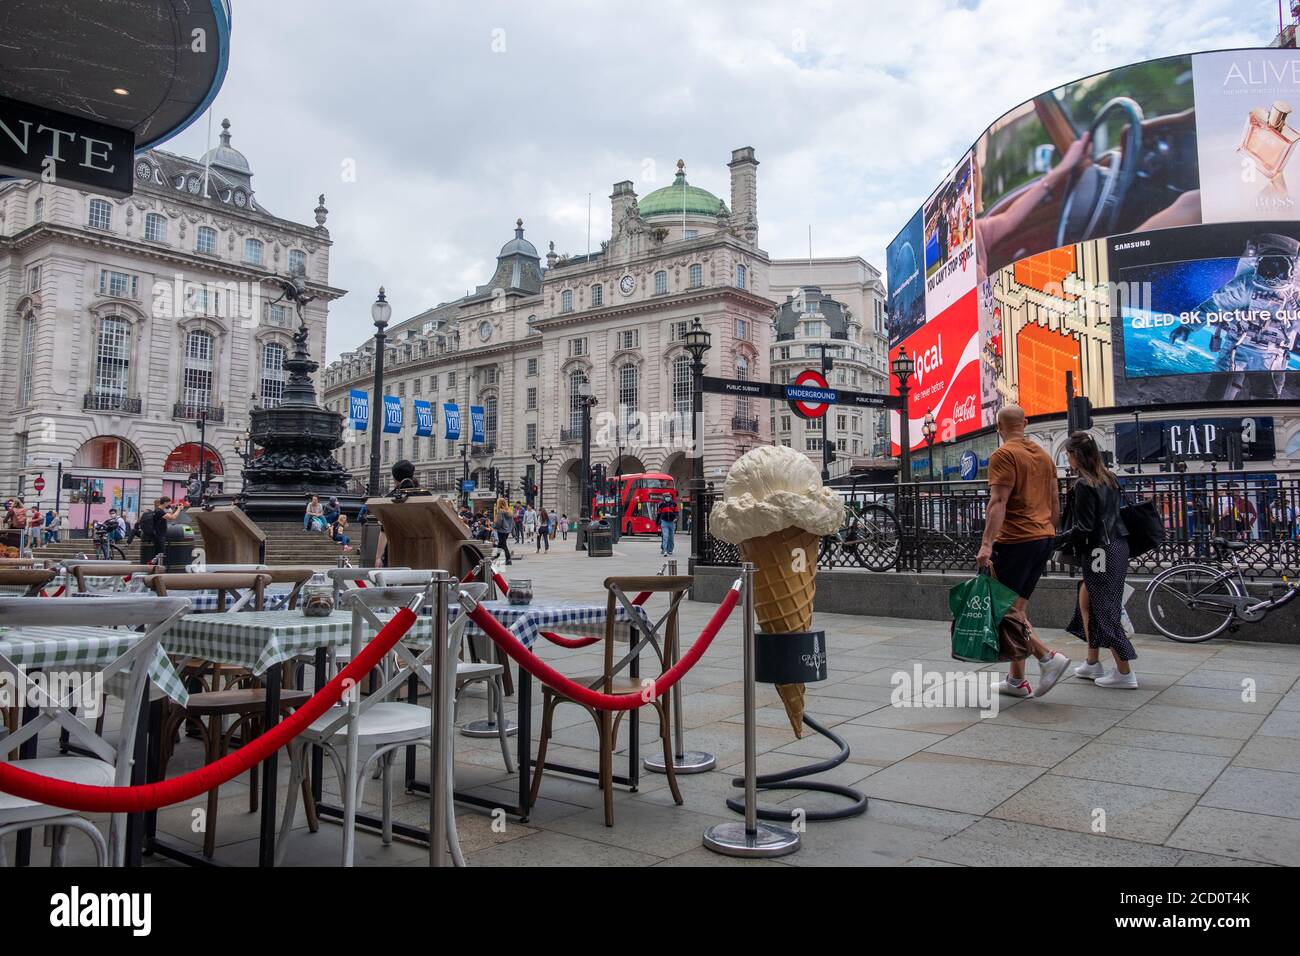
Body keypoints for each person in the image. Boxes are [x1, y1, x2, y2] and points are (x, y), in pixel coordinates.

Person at [976, 405, 1070, 698]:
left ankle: (1047, 657)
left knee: (1001, 607)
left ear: (998, 427)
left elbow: (998, 502)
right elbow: (1055, 502)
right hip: (1042, 537)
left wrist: (986, 543)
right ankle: (1016, 681)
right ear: (1025, 423)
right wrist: (1049, 533)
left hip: (1015, 540)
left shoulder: (1003, 455)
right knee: (1017, 608)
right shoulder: (1044, 456)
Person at [1061, 432, 1137, 688]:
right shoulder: (1110, 478)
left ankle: (1125, 672)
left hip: (1098, 551)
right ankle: (1092, 662)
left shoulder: (1084, 484)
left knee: (1104, 610)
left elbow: (1083, 527)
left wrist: (1056, 540)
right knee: (1087, 600)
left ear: (1076, 456)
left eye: (1068, 454)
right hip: (1117, 545)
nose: (1067, 459)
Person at [138, 497, 180, 565]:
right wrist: (179, 509)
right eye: (168, 503)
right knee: (160, 553)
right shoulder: (159, 511)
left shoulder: (159, 511)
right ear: (165, 502)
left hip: (158, 535)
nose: (169, 505)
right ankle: (154, 566)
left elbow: (169, 515)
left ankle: (154, 565)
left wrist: (175, 509)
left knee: (158, 553)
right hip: (159, 535)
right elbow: (172, 517)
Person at [493, 497, 515, 565]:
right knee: (501, 544)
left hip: (501, 530)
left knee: (503, 544)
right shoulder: (509, 511)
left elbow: (499, 522)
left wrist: (495, 526)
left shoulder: (500, 511)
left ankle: (508, 559)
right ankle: (496, 557)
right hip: (507, 530)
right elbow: (512, 522)